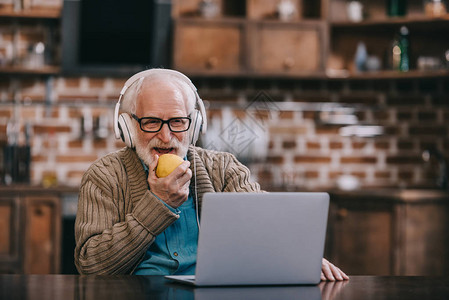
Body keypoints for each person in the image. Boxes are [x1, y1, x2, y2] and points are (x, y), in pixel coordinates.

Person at [74, 68, 348, 281]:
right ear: (128, 127)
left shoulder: (224, 169)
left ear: (194, 126)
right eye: (152, 122)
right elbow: (92, 266)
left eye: (178, 122)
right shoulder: (104, 176)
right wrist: (158, 204)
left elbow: (263, 223)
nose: (166, 136)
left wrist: (300, 256)